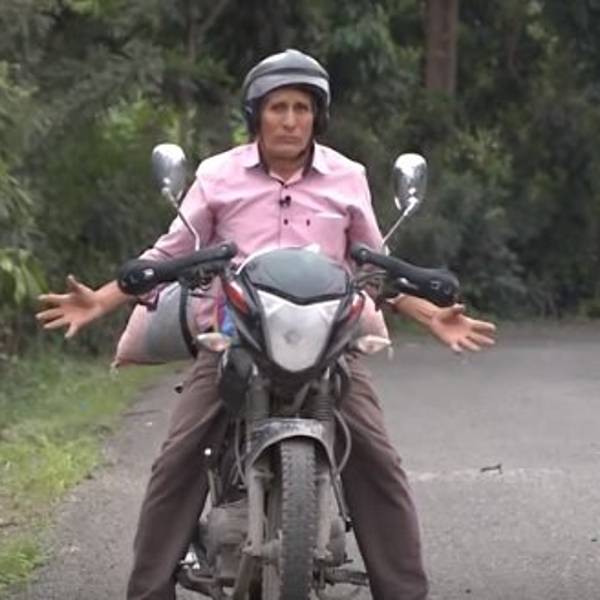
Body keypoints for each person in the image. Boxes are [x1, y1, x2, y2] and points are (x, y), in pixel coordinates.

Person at [36, 49, 496, 600]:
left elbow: (373, 266)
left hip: (328, 344)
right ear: (256, 114)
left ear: (318, 116)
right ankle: (149, 590)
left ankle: (404, 592)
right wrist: (102, 300)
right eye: (278, 107)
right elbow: (171, 253)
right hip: (236, 340)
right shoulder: (218, 175)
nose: (290, 120)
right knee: (178, 459)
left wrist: (431, 312)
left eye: (302, 108)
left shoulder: (347, 178)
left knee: (377, 460)